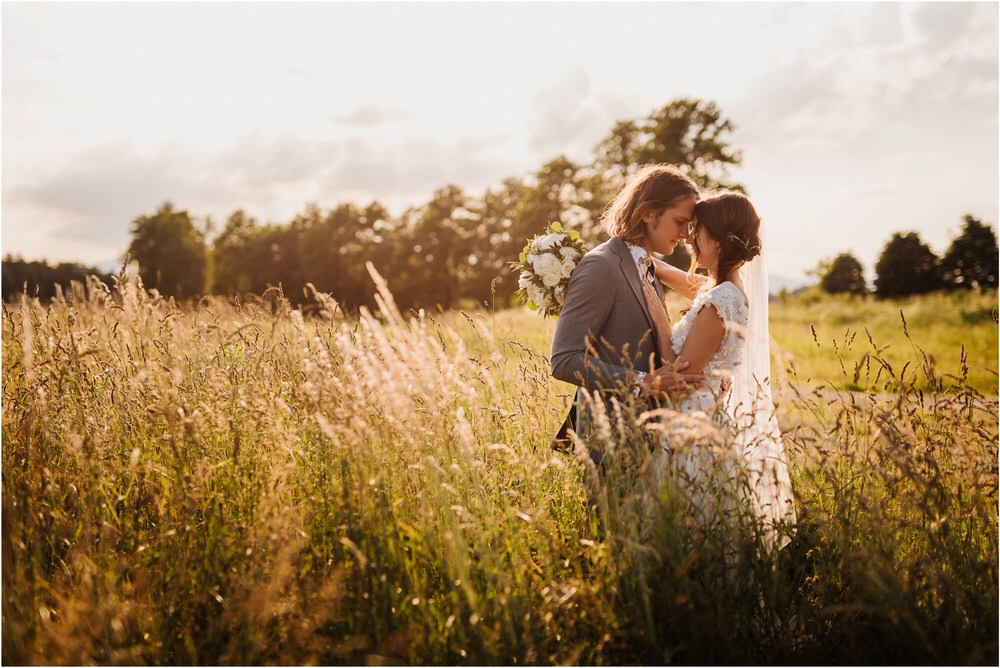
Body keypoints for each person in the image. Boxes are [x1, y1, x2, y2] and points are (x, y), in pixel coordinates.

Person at [647, 191, 796, 550]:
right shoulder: (723, 289)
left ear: (717, 237)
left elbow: (679, 372)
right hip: (705, 415)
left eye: (696, 229)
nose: (689, 237)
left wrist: (657, 314)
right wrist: (639, 260)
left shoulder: (721, 300)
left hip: (690, 421)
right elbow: (679, 279)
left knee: (688, 524)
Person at [550, 164, 705, 476]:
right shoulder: (601, 266)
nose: (687, 234)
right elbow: (564, 359)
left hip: (651, 440)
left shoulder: (645, 265)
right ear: (649, 213)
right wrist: (642, 382)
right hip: (610, 442)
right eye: (680, 222)